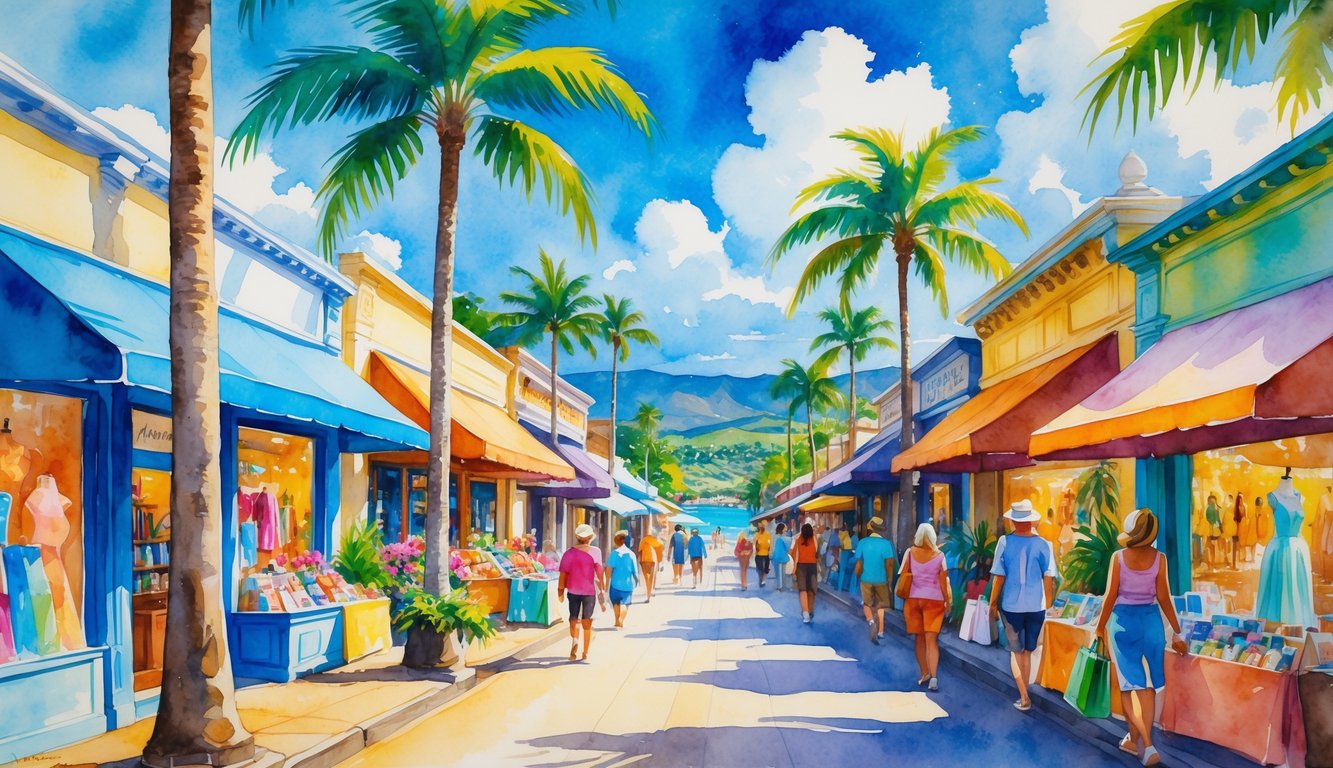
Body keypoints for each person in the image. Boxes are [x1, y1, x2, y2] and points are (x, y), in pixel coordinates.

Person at [1094, 509, 1187, 768]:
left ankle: (1146, 745)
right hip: (1151, 623)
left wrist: (1099, 627)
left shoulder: (1118, 558)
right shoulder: (1160, 558)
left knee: (1128, 686)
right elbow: (1165, 597)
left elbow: (1110, 596)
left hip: (1123, 624)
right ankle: (1132, 740)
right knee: (1147, 687)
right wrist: (1178, 631)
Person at [989, 500, 1056, 712]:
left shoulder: (1005, 542)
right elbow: (1049, 579)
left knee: (1015, 652)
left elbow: (999, 577)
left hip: (1011, 606)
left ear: (1013, 521)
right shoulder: (1045, 544)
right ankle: (1024, 693)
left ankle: (1024, 696)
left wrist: (992, 603)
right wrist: (1049, 604)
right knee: (1027, 652)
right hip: (1036, 606)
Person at [903, 523, 951, 691]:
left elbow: (903, 574)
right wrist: (948, 602)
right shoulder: (940, 556)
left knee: (919, 639)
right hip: (934, 601)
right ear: (932, 537)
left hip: (914, 599)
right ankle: (934, 679)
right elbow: (944, 582)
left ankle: (924, 673)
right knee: (931, 641)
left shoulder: (910, 553)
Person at [557, 524, 606, 662]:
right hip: (589, 591)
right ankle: (585, 652)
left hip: (572, 590)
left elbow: (563, 575)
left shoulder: (568, 553)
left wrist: (560, 591)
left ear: (577, 537)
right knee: (587, 620)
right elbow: (599, 574)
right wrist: (602, 594)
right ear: (590, 537)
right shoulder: (596, 551)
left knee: (574, 618)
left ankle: (575, 640)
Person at [853, 516, 895, 645]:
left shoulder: (863, 542)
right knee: (880, 605)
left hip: (866, 579)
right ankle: (881, 630)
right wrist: (889, 580)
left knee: (867, 603)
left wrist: (857, 574)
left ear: (871, 528)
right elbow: (889, 565)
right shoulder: (886, 544)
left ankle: (871, 621)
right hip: (881, 579)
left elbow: (859, 563)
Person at [606, 531, 641, 629]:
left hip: (615, 584)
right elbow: (635, 571)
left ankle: (617, 621)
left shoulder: (613, 554)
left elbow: (608, 570)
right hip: (627, 585)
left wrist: (606, 585)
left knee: (616, 603)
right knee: (625, 604)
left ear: (616, 542)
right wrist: (637, 581)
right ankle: (621, 619)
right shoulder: (631, 554)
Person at [794, 522, 820, 623]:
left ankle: (805, 614)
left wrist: (793, 570)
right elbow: (817, 552)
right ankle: (810, 609)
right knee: (811, 590)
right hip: (812, 566)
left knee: (802, 590)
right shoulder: (814, 539)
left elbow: (796, 555)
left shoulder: (798, 539)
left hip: (801, 567)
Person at [638, 526, 664, 602]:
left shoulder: (644, 540)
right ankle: (650, 593)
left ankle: (648, 595)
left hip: (644, 560)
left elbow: (639, 550)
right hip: (653, 561)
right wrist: (660, 563)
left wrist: (639, 561)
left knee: (647, 579)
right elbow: (660, 554)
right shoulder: (659, 542)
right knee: (652, 578)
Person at [772, 523, 792, 591]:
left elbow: (774, 548)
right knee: (782, 572)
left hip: (778, 557)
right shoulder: (781, 537)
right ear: (782, 529)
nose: (786, 529)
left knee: (779, 572)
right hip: (782, 556)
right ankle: (781, 586)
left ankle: (780, 586)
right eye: (785, 528)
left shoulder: (777, 537)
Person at [754, 522, 773, 588]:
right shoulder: (759, 535)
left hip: (762, 555)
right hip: (762, 554)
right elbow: (769, 545)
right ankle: (762, 581)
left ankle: (762, 581)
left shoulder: (763, 535)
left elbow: (769, 545)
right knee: (763, 570)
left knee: (762, 570)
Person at [838, 524, 856, 592]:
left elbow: (841, 544)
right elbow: (849, 546)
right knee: (846, 571)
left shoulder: (841, 535)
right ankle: (845, 588)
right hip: (847, 552)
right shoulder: (846, 535)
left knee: (842, 571)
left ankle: (840, 588)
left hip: (844, 552)